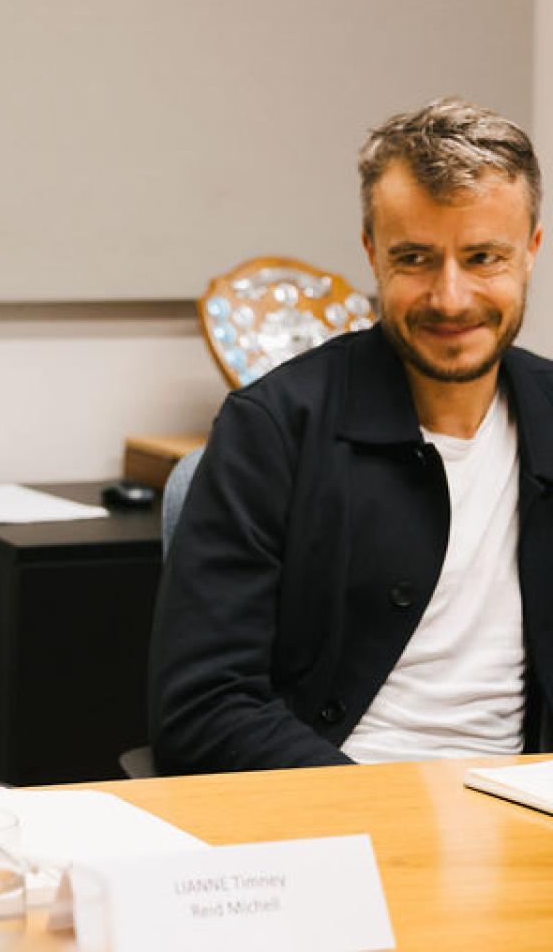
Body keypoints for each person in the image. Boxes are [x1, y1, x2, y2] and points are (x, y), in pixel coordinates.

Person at [150, 98, 553, 774]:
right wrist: (391, 815)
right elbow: (203, 708)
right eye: (416, 258)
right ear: (371, 251)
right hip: (334, 824)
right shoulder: (272, 430)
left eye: (482, 257)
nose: (450, 298)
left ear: (532, 249)